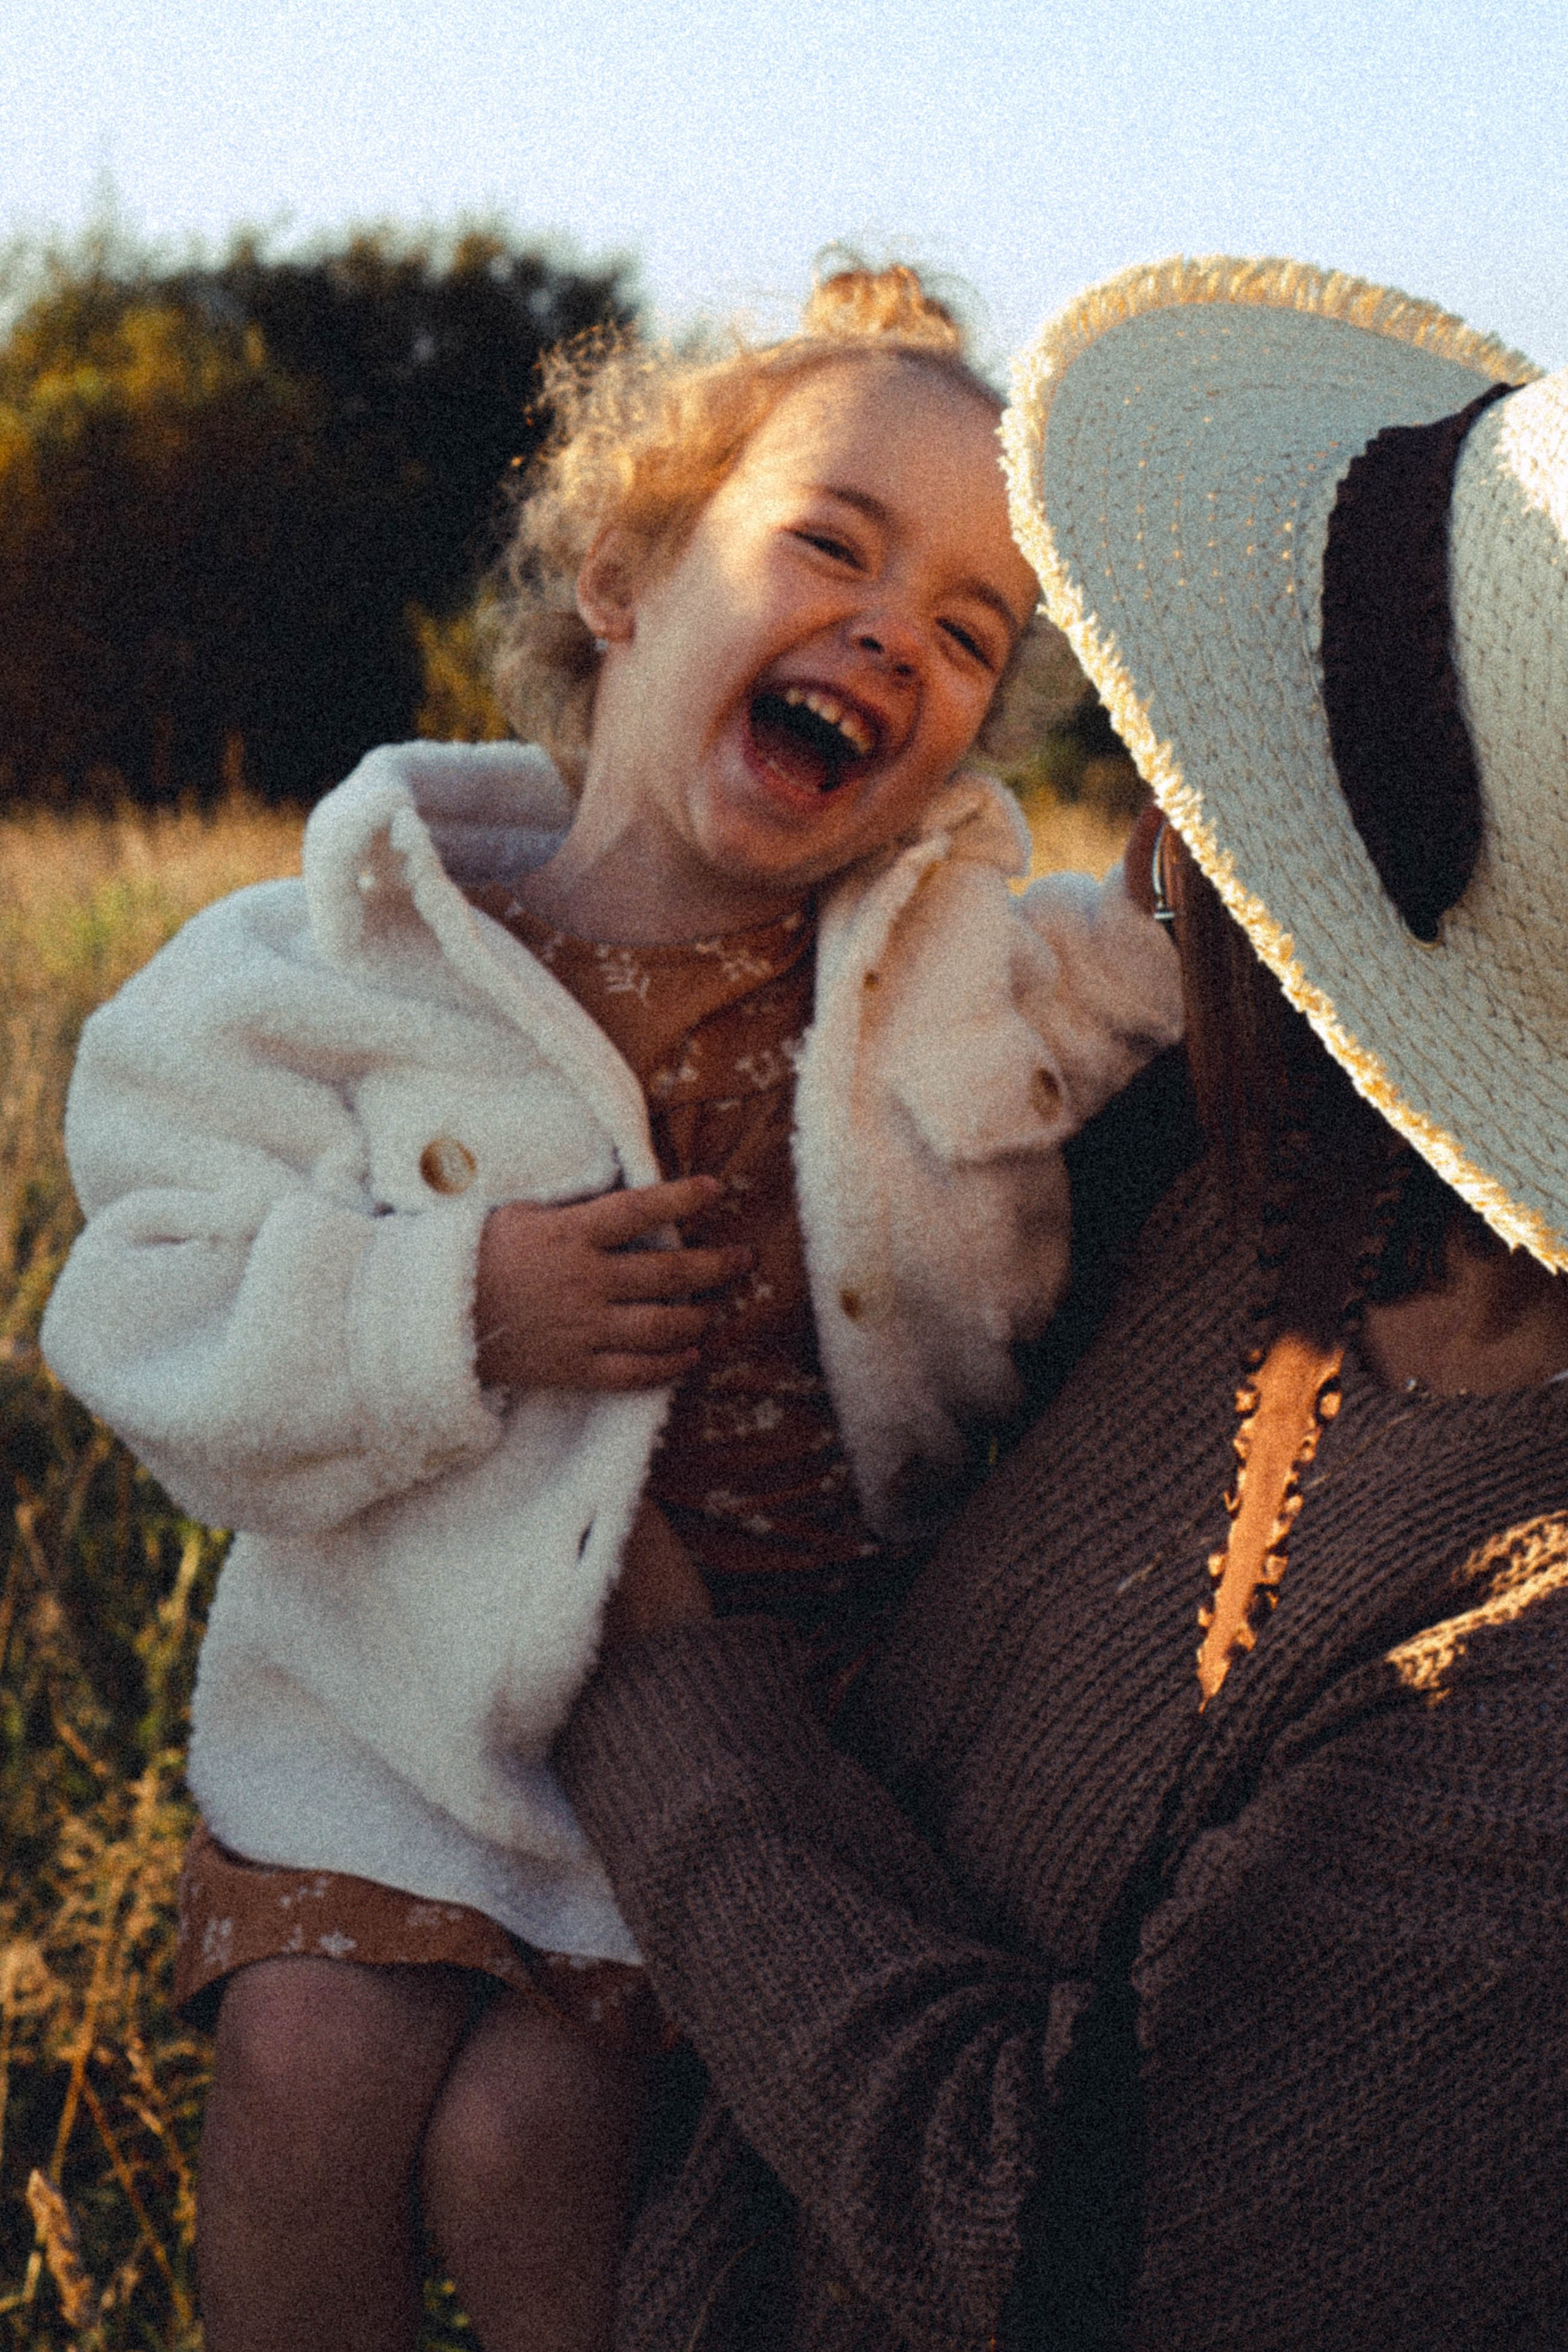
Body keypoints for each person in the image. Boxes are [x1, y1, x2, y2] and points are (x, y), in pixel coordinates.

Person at [39, 263, 1181, 2351]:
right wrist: (449, 1303)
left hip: (772, 1713)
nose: (886, 635)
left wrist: (1211, 858)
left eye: (964, 631)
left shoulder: (943, 960)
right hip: (400, 1702)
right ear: (629, 573)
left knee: (531, 2144)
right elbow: (138, 1310)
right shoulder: (331, 966)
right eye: (829, 546)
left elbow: (1127, 972)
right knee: (307, 2080)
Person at [549, 255, 1568, 2350]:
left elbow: (1058, 2230)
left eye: (1222, 797)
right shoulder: (1225, 1173)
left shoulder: (1531, 1654)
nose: (1153, 848)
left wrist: (647, 1672)